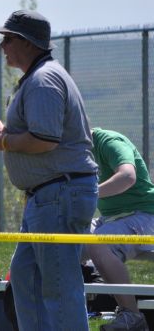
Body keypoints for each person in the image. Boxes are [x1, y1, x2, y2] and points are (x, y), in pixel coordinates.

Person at [0, 9, 98, 331]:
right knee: (26, 276)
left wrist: (3, 141)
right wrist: (7, 133)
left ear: (28, 43)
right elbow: (39, 132)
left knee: (59, 287)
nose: (2, 46)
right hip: (49, 195)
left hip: (58, 193)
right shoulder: (42, 76)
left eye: (8, 39)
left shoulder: (43, 80)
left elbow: (45, 140)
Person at [86, 128, 154, 331]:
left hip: (145, 215)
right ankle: (72, 308)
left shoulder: (110, 141)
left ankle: (132, 316)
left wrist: (90, 194)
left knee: (98, 243)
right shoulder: (71, 152)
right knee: (66, 238)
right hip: (110, 219)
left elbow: (127, 177)